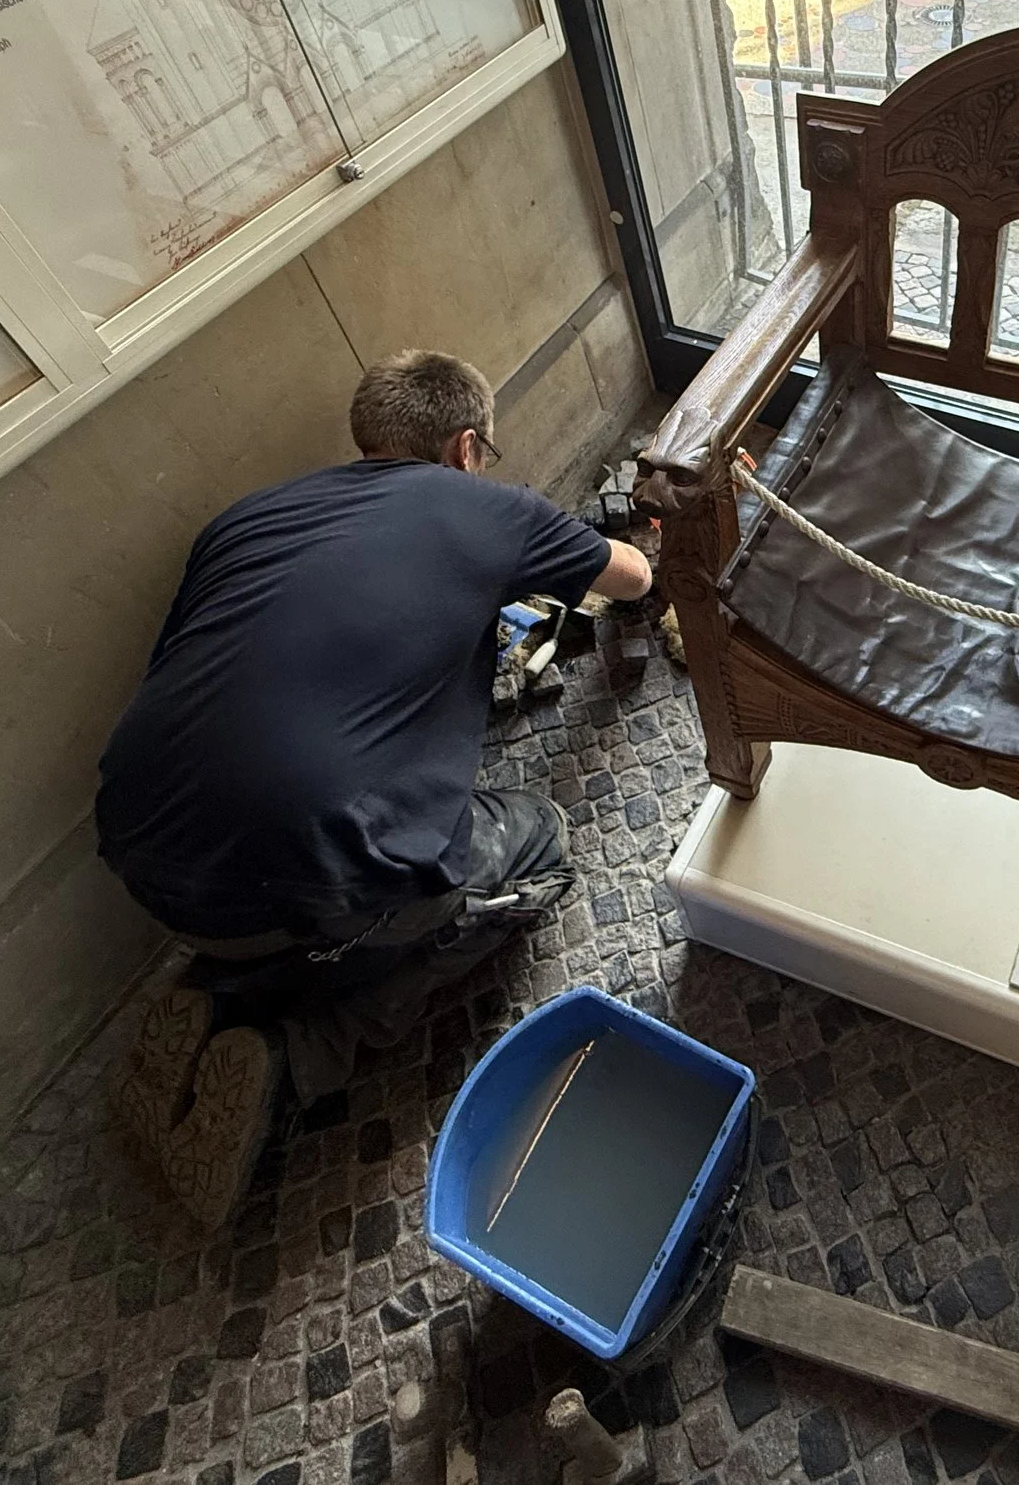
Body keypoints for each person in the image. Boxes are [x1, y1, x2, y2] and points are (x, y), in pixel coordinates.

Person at [94, 349, 653, 1226]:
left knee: (285, 856)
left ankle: (219, 987)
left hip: (144, 860)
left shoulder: (242, 520)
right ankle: (296, 1047)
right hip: (312, 875)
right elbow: (632, 577)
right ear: (467, 447)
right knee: (537, 845)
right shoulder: (482, 505)